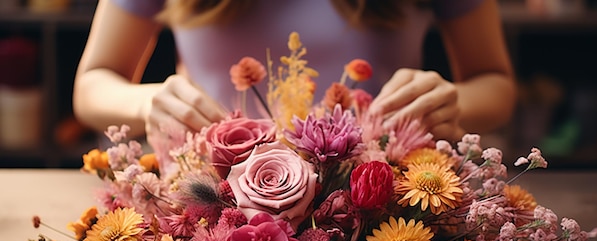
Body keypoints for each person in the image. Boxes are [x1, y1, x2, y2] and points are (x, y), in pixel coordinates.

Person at [73, 0, 516, 145]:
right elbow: (93, 83)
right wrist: (147, 102)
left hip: (381, 204)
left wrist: (450, 103)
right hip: (214, 209)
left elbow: (495, 82)